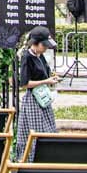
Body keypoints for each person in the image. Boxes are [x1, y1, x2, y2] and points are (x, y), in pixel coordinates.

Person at [14, 26, 58, 160]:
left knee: (49, 128)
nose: (46, 48)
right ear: (35, 43)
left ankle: (47, 157)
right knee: (35, 131)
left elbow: (45, 73)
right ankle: (31, 159)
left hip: (43, 98)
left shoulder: (40, 56)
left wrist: (51, 78)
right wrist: (46, 81)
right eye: (44, 45)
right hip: (33, 100)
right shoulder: (27, 57)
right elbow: (25, 83)